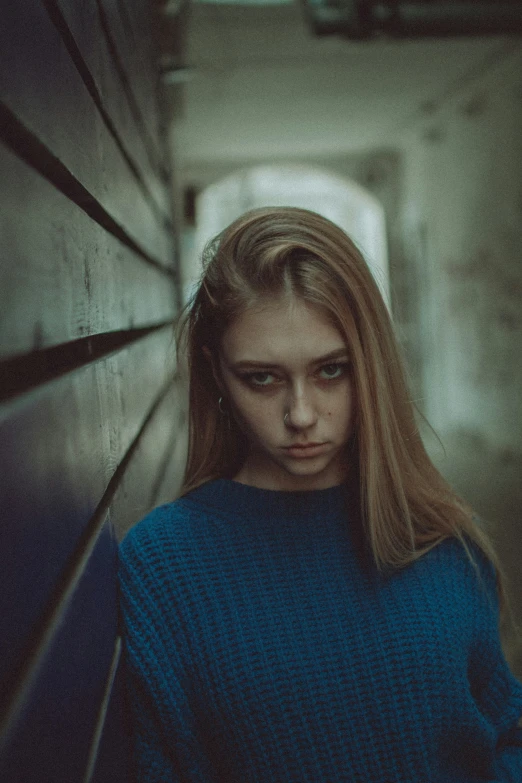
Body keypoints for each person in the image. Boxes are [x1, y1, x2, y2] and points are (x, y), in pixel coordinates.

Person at [118, 207, 522, 782]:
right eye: (262, 377)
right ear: (216, 375)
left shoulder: (439, 534)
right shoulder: (163, 564)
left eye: (332, 370)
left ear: (372, 365)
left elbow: (506, 728)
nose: (301, 415)